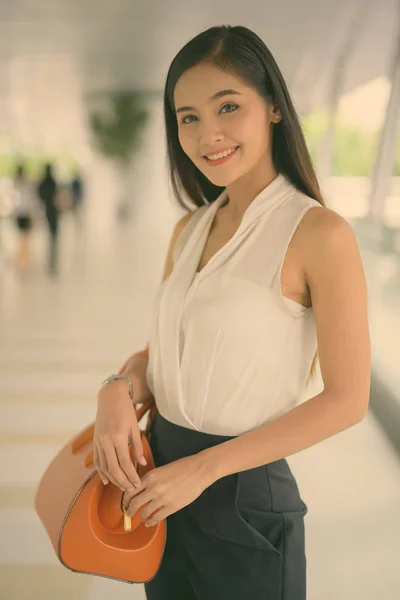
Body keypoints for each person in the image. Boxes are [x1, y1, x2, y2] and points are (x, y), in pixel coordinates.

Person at [93, 25, 371, 600]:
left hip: (244, 495)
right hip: (159, 487)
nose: (207, 133)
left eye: (228, 107)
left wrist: (204, 469)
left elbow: (348, 399)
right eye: (188, 116)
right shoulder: (189, 228)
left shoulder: (319, 233)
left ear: (272, 107)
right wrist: (116, 390)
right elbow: (163, 354)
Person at [12, 163, 40, 271]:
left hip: (20, 214)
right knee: (25, 238)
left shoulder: (17, 184)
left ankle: (23, 261)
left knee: (22, 238)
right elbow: (33, 201)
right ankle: (24, 261)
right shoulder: (27, 184)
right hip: (25, 214)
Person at [37, 163, 59, 275]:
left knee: (50, 235)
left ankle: (51, 258)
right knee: (53, 236)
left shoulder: (42, 183)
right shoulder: (53, 182)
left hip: (47, 210)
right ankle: (52, 258)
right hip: (53, 211)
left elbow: (39, 195)